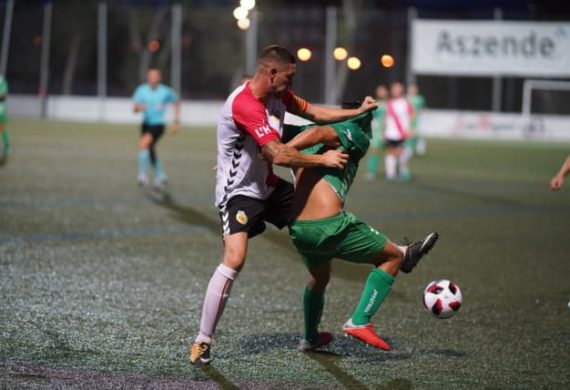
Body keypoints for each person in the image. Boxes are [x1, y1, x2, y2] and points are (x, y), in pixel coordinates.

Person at [189, 45, 378, 365]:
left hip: (270, 186)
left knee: (317, 218)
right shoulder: (246, 104)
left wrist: (357, 111)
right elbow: (276, 155)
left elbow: (316, 114)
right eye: (289, 76)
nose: (292, 82)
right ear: (271, 73)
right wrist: (323, 158)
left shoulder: (278, 96)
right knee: (235, 259)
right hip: (238, 192)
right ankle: (202, 341)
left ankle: (313, 333)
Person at [283, 108, 438, 352]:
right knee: (392, 257)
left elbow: (270, 134)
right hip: (329, 226)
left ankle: (310, 338)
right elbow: (321, 131)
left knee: (320, 278)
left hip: (299, 229)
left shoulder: (296, 133)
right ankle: (360, 321)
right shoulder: (356, 132)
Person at [132, 68, 181, 191]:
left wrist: (175, 121)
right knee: (150, 150)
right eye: (151, 76)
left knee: (143, 144)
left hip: (158, 125)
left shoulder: (165, 91)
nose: (153, 78)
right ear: (148, 78)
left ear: (159, 78)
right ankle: (161, 177)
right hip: (146, 125)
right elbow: (135, 108)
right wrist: (139, 107)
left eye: (155, 76)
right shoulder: (141, 90)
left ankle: (142, 175)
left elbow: (177, 102)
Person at [384, 82, 413, 182]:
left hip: (401, 132)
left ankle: (403, 172)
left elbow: (410, 116)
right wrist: (384, 131)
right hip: (390, 132)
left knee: (402, 153)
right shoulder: (389, 102)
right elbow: (386, 118)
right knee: (390, 152)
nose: (394, 91)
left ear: (401, 90)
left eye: (397, 89)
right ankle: (390, 174)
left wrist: (409, 130)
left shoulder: (405, 102)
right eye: (393, 89)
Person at [364, 85, 388, 181]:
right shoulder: (374, 104)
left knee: (392, 152)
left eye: (382, 91)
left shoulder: (389, 104)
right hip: (376, 132)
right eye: (379, 91)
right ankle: (371, 172)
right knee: (373, 151)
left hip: (387, 131)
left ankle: (393, 172)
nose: (380, 92)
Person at [406, 83, 427, 157]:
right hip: (407, 120)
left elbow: (424, 108)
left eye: (413, 89)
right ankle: (409, 150)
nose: (412, 90)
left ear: (416, 90)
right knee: (409, 135)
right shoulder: (406, 98)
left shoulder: (420, 99)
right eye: (410, 89)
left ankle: (420, 145)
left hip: (417, 120)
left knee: (417, 134)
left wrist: (420, 114)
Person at [0, 74, 10, 158]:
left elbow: (4, 95)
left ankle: (7, 146)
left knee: (2, 128)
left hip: (0, 109)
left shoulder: (0, 80)